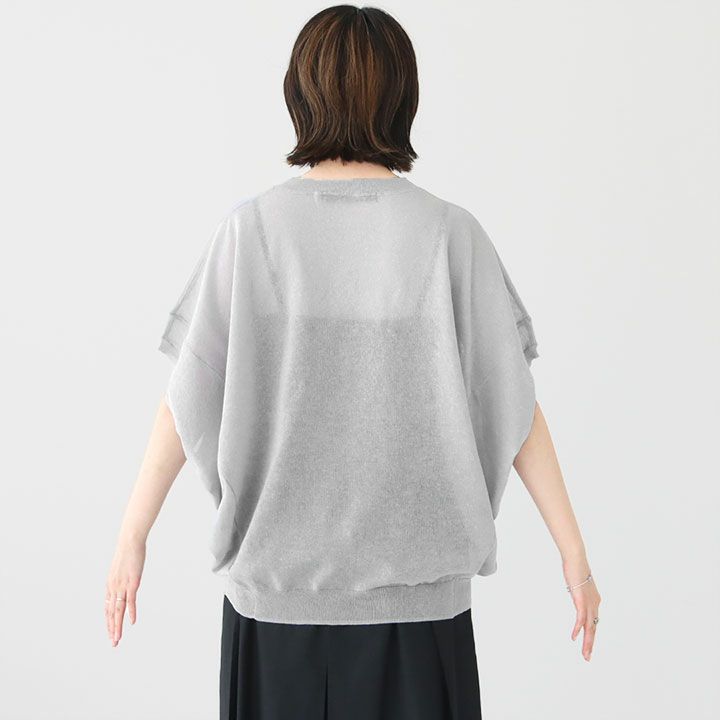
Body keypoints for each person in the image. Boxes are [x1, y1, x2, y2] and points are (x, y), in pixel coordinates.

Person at [105, 4, 601, 718]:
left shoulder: (251, 233)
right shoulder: (449, 235)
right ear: (404, 96)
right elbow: (514, 405)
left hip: (274, 617)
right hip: (419, 623)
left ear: (300, 92)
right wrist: (573, 553)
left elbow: (187, 397)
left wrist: (132, 536)